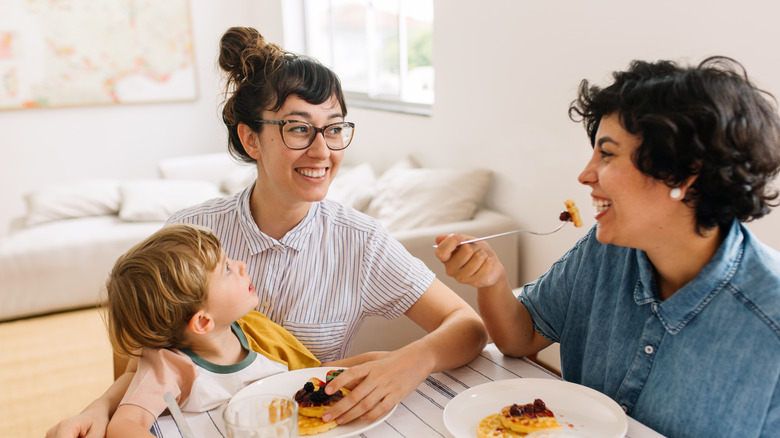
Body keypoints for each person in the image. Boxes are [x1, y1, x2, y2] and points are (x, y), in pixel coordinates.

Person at [47, 27, 487, 438]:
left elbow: (467, 326)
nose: (322, 150)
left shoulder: (362, 242)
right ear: (251, 139)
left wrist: (412, 361)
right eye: (298, 128)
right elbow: (142, 356)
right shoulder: (191, 233)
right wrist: (101, 408)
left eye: (333, 128)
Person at [435, 56, 780, 437]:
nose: (585, 174)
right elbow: (520, 337)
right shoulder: (605, 251)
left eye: (608, 153)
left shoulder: (770, 321)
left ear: (684, 172)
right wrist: (492, 280)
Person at [103, 224, 379, 437]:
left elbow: (307, 377)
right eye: (226, 270)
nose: (241, 265)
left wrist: (374, 361)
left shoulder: (252, 331)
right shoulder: (170, 366)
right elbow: (125, 424)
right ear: (202, 322)